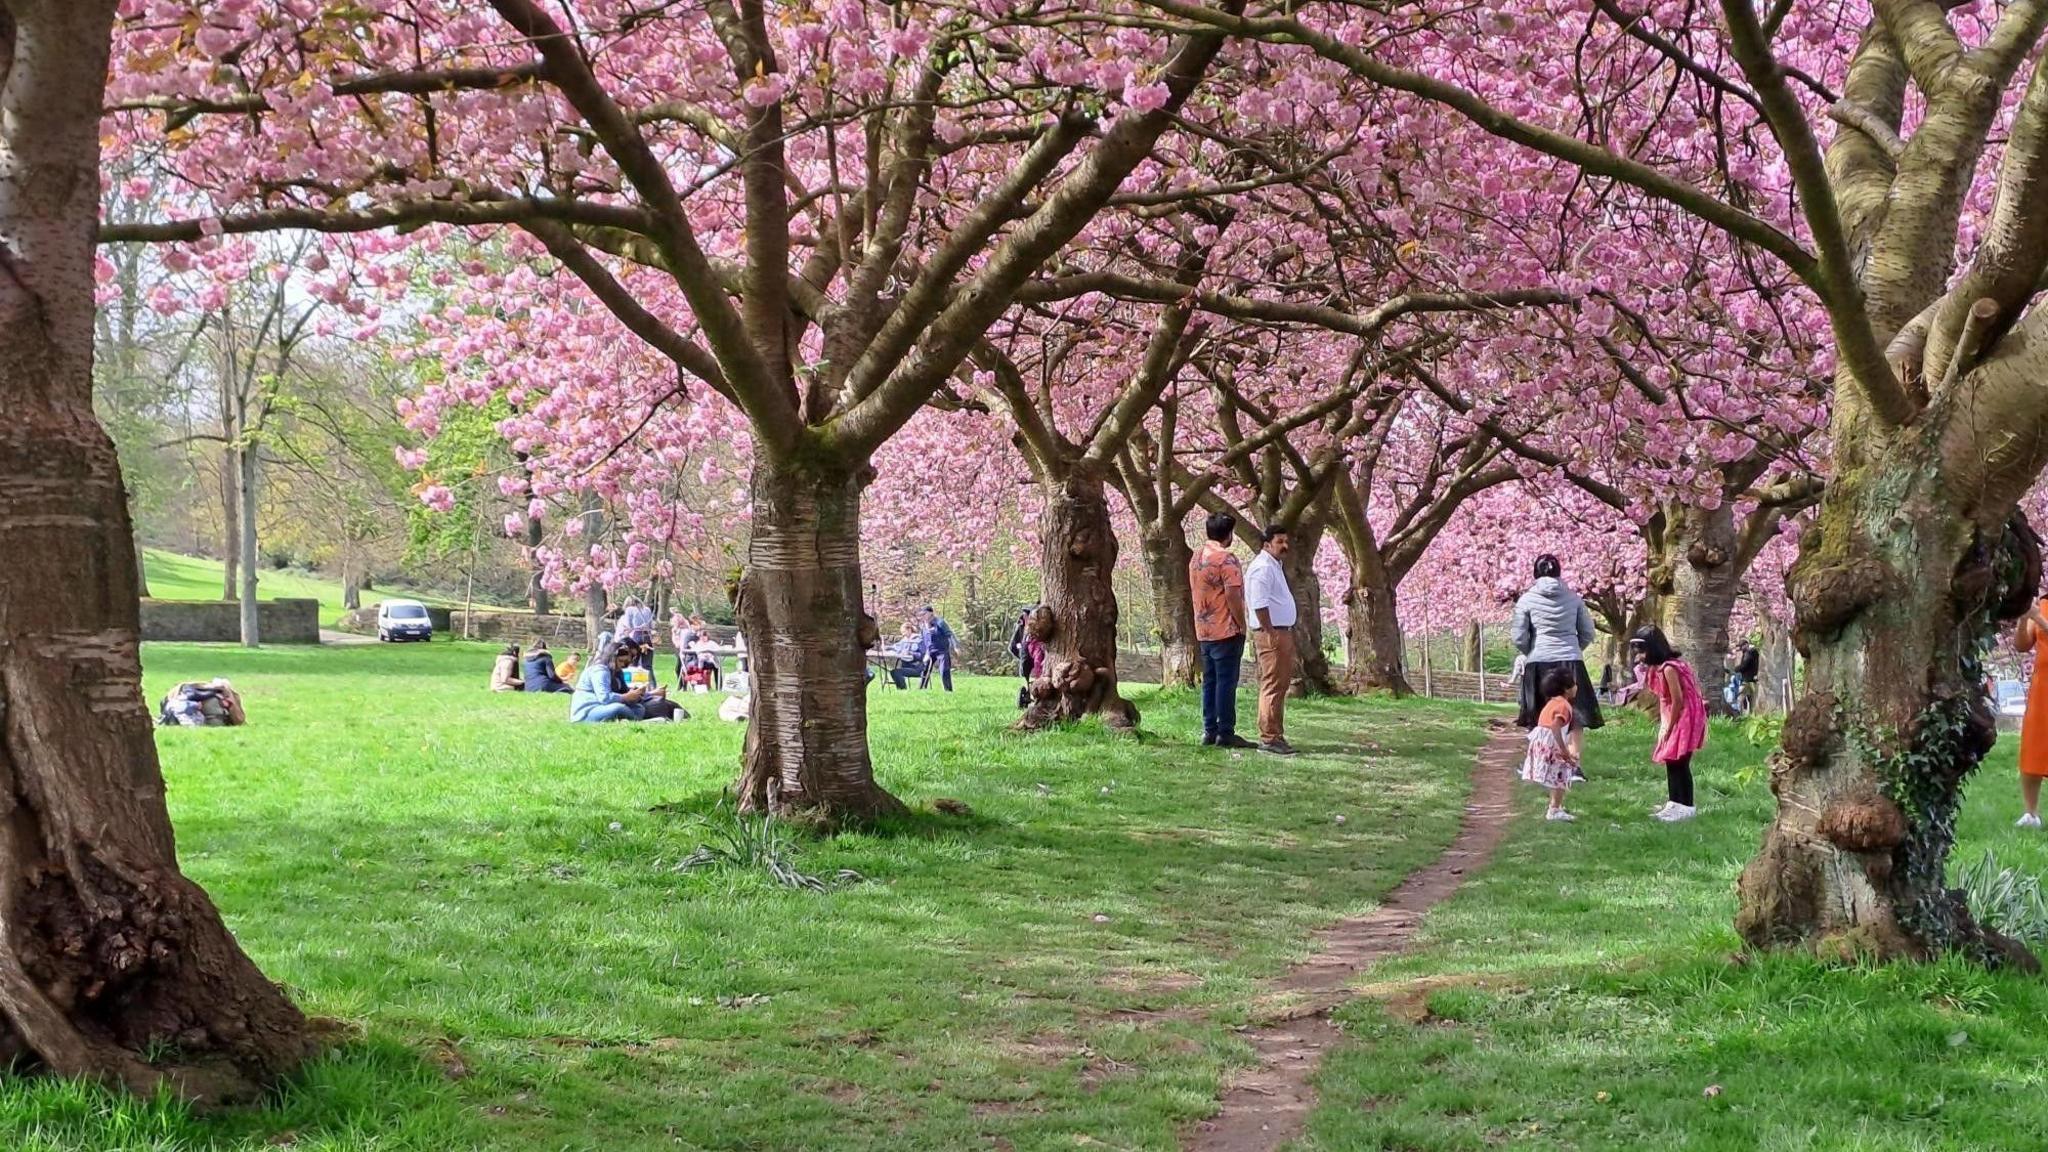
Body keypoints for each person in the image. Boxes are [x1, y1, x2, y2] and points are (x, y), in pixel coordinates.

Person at [1512, 555, 1603, 767]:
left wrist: (1531, 650)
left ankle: (1541, 762)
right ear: (1559, 572)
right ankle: (1574, 765)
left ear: (1535, 573)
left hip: (1538, 662)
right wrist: (1573, 648)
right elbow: (1588, 632)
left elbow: (1519, 636)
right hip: (1571, 660)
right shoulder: (1574, 598)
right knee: (1576, 715)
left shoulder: (1527, 599)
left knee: (1539, 714)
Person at [1190, 511, 1253, 749]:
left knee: (1210, 682)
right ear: (1228, 535)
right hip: (1225, 629)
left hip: (1203, 629)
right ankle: (1226, 732)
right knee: (1226, 682)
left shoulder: (1196, 557)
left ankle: (1209, 730)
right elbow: (1233, 594)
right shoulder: (1226, 559)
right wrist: (1241, 623)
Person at [1633, 625, 1708, 822]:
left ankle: (1686, 805)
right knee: (1671, 762)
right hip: (1674, 716)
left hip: (1683, 717)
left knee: (1680, 762)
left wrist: (1669, 725)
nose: (1640, 656)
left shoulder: (1669, 669)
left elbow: (1678, 699)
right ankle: (1674, 802)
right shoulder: (1660, 668)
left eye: (1643, 651)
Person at [1244, 524, 1298, 756]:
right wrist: (1270, 632)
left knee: (1280, 683)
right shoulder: (1262, 568)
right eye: (1279, 542)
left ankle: (1276, 733)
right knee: (1273, 684)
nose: (1285, 546)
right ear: (1266, 545)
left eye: (1286, 541)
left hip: (1281, 630)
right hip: (1271, 632)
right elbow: (1259, 603)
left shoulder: (1275, 566)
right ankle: (1269, 737)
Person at [1521, 669, 1582, 822]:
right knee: (1561, 775)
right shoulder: (1563, 706)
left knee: (1557, 776)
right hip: (1550, 743)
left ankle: (1556, 807)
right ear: (1567, 689)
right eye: (1574, 684)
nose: (1576, 687)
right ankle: (1554, 810)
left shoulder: (1552, 703)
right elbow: (1555, 727)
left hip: (1542, 741)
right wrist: (1565, 751)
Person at [2013, 599, 2048, 827]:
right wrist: (2025, 617)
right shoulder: (2044, 603)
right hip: (2043, 687)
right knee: (2034, 746)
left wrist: (2040, 620)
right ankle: (2030, 813)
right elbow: (2022, 645)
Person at [572, 641, 649, 723]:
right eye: (621, 661)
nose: (623, 665)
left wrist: (636, 694)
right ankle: (636, 721)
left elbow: (623, 691)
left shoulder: (616, 672)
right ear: (612, 658)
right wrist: (625, 697)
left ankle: (627, 720)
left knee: (638, 708)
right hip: (588, 711)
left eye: (626, 663)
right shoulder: (600, 671)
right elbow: (604, 698)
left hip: (603, 707)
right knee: (619, 708)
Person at [920, 607, 957, 691]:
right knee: (925, 669)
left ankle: (948, 691)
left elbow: (950, 634)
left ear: (930, 613)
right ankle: (922, 689)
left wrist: (955, 646)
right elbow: (923, 639)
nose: (923, 616)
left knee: (944, 670)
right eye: (921, 615)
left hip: (942, 650)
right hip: (930, 651)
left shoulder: (940, 622)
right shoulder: (923, 625)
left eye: (924, 614)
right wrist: (925, 653)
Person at [1724, 638, 1762, 715]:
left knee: (1740, 697)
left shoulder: (1749, 652)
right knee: (1751, 699)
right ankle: (1751, 714)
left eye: (1742, 646)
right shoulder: (1751, 652)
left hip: (1747, 680)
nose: (1741, 649)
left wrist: (1735, 670)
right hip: (1750, 680)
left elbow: (1744, 665)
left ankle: (1739, 714)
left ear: (1746, 645)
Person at [888, 622, 928, 690]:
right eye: (902, 632)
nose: (903, 634)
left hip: (917, 668)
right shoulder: (904, 640)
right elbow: (897, 647)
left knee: (896, 672)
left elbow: (922, 655)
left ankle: (903, 690)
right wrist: (888, 647)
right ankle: (902, 690)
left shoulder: (919, 640)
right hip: (906, 666)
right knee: (893, 672)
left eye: (904, 632)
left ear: (909, 630)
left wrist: (910, 653)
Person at [620, 597, 655, 669]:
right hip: (647, 636)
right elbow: (651, 625)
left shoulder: (629, 610)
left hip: (636, 636)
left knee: (633, 662)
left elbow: (628, 625)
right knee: (647, 665)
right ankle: (650, 680)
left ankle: (633, 679)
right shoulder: (647, 609)